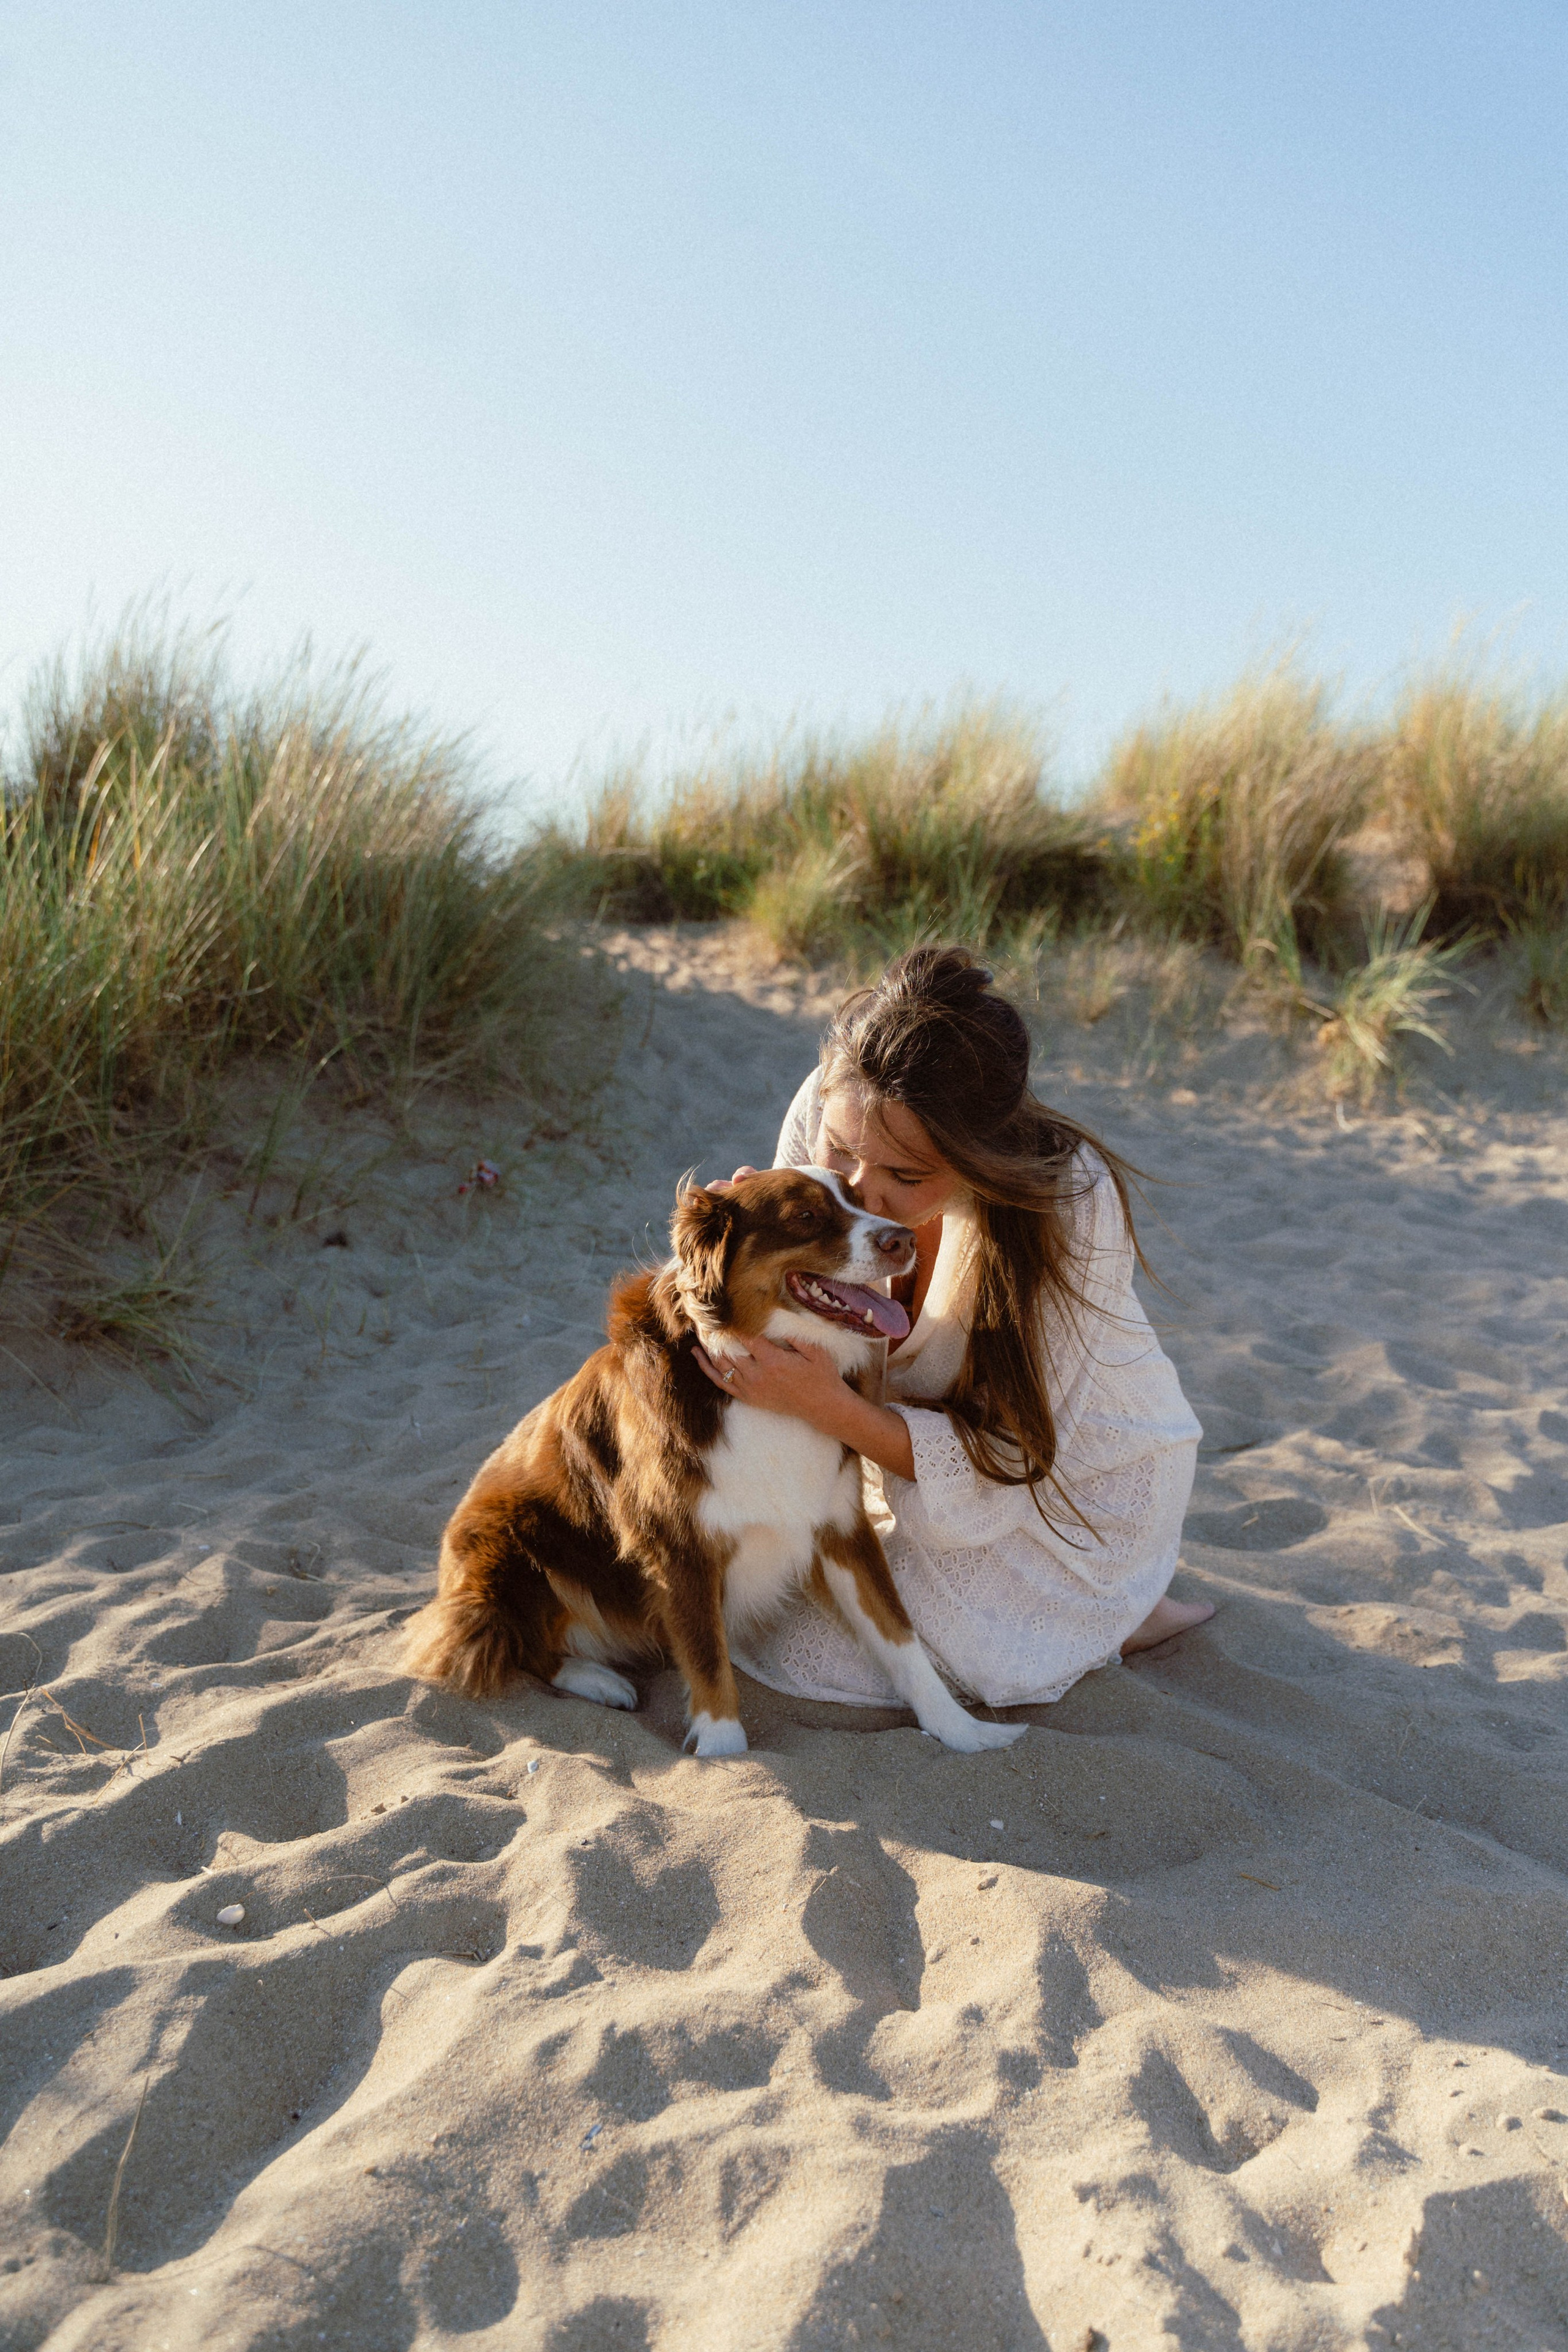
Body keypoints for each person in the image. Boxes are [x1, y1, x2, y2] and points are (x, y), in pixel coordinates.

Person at [691, 944, 1211, 1713]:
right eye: (841, 1154)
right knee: (756, 1613)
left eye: (905, 1177)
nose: (861, 1197)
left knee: (823, 1653)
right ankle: (1119, 1612)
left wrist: (829, 1408)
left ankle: (1125, 1606)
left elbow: (1013, 1457)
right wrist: (731, 1244)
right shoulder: (833, 1103)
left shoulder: (1068, 1203)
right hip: (904, 1463)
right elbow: (786, 1335)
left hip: (1071, 1477)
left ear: (978, 1160)